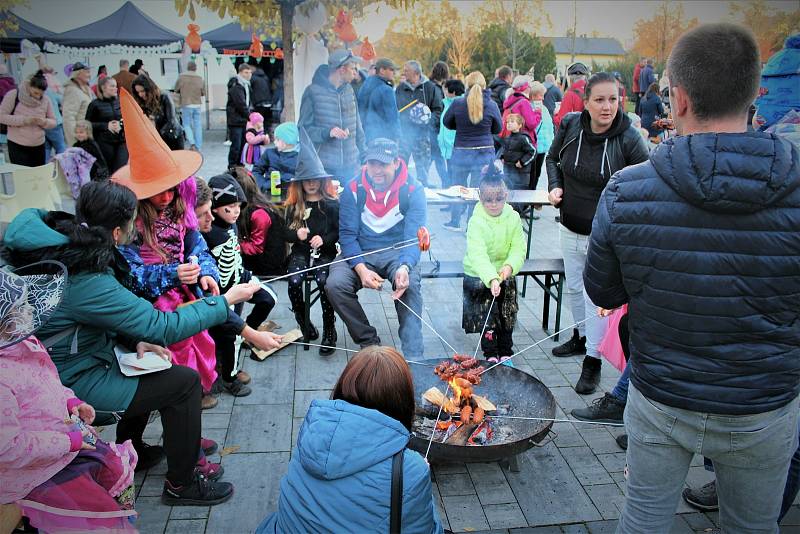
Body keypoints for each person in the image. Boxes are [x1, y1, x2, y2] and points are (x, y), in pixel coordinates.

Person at [583, 24, 800, 533]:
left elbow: (604, 291)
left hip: (663, 396)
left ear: (676, 99)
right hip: (763, 402)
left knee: (643, 522)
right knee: (753, 527)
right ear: (755, 95)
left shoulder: (625, 190)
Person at [2, 183, 268, 506]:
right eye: (132, 224)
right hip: (65, 386)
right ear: (116, 233)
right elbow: (162, 326)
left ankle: (135, 448)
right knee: (183, 384)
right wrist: (225, 301)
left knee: (151, 365)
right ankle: (182, 484)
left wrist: (134, 338)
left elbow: (86, 320)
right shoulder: (85, 277)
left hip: (56, 367)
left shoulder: (56, 246)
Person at [0, 262, 138, 532]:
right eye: (20, 310)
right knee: (95, 519)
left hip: (63, 447)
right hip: (35, 474)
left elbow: (46, 383)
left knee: (108, 486)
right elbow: (8, 448)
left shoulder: (24, 343)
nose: (29, 311)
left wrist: (70, 401)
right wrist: (68, 441)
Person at [255, 346, 444, 534]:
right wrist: (418, 473)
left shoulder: (313, 433)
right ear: (402, 400)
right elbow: (428, 529)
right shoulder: (409, 470)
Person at [546, 71, 648, 395]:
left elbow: (646, 182)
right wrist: (555, 185)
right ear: (586, 101)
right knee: (574, 289)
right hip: (569, 226)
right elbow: (551, 159)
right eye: (600, 100)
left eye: (613, 100)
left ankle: (593, 361)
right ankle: (581, 338)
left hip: (604, 237)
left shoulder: (629, 138)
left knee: (595, 298)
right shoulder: (570, 126)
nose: (607, 107)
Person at [325, 138, 426, 360]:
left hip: (397, 251)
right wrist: (361, 269)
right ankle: (369, 343)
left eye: (383, 164)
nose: (377, 170)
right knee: (335, 284)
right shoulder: (352, 188)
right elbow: (348, 236)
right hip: (360, 249)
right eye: (372, 164)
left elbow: (413, 238)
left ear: (397, 163)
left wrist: (405, 266)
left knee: (410, 287)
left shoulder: (413, 189)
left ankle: (413, 355)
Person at [203, 173, 278, 397]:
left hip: (241, 277)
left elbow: (236, 253)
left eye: (238, 206)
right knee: (230, 337)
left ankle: (248, 332)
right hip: (226, 292)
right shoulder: (209, 232)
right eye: (230, 207)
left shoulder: (231, 225)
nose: (236, 212)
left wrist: (244, 274)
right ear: (215, 208)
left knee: (269, 298)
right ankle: (229, 377)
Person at [282, 139, 339, 353]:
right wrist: (297, 234)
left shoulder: (331, 204)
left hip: (324, 254)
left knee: (323, 281)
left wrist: (324, 239)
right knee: (295, 280)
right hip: (301, 253)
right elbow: (284, 234)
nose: (312, 184)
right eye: (307, 180)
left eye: (315, 180)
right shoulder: (294, 206)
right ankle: (303, 319)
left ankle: (329, 328)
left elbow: (337, 231)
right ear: (300, 183)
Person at [462, 172, 525, 364]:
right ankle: (490, 355)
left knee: (506, 315)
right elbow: (477, 254)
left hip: (505, 274)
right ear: (481, 198)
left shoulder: (513, 217)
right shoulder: (476, 221)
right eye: (488, 200)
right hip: (479, 275)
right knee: (486, 318)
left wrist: (508, 267)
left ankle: (506, 352)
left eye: (499, 199)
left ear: (506, 196)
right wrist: (491, 277)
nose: (494, 204)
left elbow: (519, 248)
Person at [442, 71, 503, 231]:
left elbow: (447, 122)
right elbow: (498, 128)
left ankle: (455, 222)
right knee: (477, 191)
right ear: (484, 86)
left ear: (467, 85)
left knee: (458, 189)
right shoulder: (491, 105)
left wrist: (461, 126)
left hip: (461, 152)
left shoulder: (457, 103)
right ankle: (472, 224)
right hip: (483, 155)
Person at [298, 49, 366, 184]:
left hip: (351, 167)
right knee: (330, 204)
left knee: (350, 204)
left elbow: (358, 127)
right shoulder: (312, 92)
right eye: (353, 68)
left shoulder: (349, 90)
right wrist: (327, 132)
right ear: (341, 69)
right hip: (324, 168)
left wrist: (364, 158)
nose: (355, 72)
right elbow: (303, 130)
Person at [395, 60, 443, 188]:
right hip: (405, 135)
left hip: (422, 135)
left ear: (416, 73)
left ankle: (422, 188)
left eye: (406, 70)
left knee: (423, 165)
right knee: (400, 164)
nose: (403, 73)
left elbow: (438, 109)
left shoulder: (430, 88)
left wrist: (427, 122)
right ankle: (401, 188)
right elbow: (396, 110)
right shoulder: (400, 88)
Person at [231, 168, 287, 278]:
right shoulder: (248, 208)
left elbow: (256, 248)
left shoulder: (259, 213)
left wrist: (234, 245)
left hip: (266, 263)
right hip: (255, 255)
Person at [0, 70, 55, 166]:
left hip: (39, 145)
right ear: (29, 86)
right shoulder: (13, 95)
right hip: (17, 145)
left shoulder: (46, 100)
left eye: (41, 94)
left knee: (38, 177)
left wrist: (44, 122)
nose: (38, 97)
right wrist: (24, 120)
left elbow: (53, 121)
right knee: (23, 177)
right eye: (35, 93)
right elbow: (1, 116)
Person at [85, 76, 128, 173]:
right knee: (107, 169)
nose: (115, 89)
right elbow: (87, 124)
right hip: (104, 142)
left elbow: (128, 118)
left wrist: (121, 124)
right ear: (103, 88)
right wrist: (106, 125)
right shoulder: (94, 104)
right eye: (112, 86)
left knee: (120, 168)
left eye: (116, 86)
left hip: (121, 140)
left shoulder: (120, 101)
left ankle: (119, 186)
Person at [132, 73, 182, 150]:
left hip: (172, 136)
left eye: (142, 91)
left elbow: (171, 120)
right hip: (157, 139)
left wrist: (157, 133)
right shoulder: (142, 102)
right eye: (138, 92)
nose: (140, 94)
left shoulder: (164, 96)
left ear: (149, 88)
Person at [357, 57, 401, 143]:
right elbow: (392, 117)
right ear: (382, 70)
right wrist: (397, 137)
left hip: (364, 135)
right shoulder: (386, 90)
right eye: (391, 69)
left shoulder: (366, 84)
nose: (394, 73)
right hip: (382, 138)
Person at [252, 121, 300, 192]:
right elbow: (256, 171)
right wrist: (263, 185)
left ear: (287, 140)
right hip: (270, 191)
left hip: (292, 193)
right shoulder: (269, 153)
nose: (274, 142)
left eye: (277, 139)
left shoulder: (300, 156)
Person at [437, 78, 465, 189]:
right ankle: (452, 204)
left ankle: (457, 205)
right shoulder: (448, 104)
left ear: (453, 92)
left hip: (455, 148)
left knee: (456, 179)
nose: (444, 92)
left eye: (446, 90)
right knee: (451, 177)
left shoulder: (458, 105)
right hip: (448, 148)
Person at [500, 75, 541, 148]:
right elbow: (531, 124)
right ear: (525, 88)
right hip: (523, 141)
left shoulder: (511, 100)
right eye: (529, 86)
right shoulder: (524, 102)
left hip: (511, 139)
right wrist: (538, 113)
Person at [498, 113, 536, 190]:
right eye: (507, 122)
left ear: (519, 125)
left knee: (520, 196)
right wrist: (502, 156)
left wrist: (522, 162)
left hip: (521, 175)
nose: (509, 124)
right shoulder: (507, 138)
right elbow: (504, 149)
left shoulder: (523, 138)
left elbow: (532, 152)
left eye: (512, 122)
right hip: (508, 173)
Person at [226, 63, 254, 166]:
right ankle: (233, 165)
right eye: (246, 72)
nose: (248, 75)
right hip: (236, 120)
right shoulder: (236, 85)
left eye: (250, 72)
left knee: (243, 144)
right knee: (236, 145)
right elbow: (240, 104)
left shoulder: (246, 85)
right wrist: (250, 117)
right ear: (240, 73)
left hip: (243, 120)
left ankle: (240, 164)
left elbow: (246, 103)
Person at [174, 60, 205, 151]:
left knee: (186, 124)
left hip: (186, 103)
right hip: (197, 104)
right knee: (198, 125)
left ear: (187, 67)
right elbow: (203, 92)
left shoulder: (181, 77)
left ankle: (192, 142)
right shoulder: (200, 78)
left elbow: (176, 89)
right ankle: (198, 146)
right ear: (195, 68)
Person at [529, 81, 554, 190]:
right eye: (541, 95)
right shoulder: (528, 108)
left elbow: (549, 127)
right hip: (532, 146)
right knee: (532, 173)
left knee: (537, 173)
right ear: (533, 95)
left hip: (542, 147)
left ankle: (532, 196)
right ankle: (529, 199)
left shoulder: (544, 109)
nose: (543, 98)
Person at [62, 62, 94, 146]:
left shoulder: (86, 89)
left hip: (86, 136)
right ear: (78, 73)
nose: (90, 75)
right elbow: (68, 117)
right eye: (87, 72)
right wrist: (74, 140)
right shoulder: (72, 91)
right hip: (79, 138)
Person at [428, 61, 450, 186]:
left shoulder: (429, 86)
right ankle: (446, 184)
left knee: (434, 157)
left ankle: (423, 180)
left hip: (431, 128)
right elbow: (438, 109)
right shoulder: (436, 88)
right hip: (435, 129)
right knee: (437, 157)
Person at [41, 65, 66, 159]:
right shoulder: (51, 83)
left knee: (46, 148)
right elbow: (61, 99)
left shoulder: (39, 84)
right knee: (60, 146)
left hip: (43, 122)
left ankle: (45, 169)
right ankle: (63, 168)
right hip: (55, 122)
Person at [554, 62, 589, 127]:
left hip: (575, 134)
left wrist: (556, 115)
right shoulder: (592, 91)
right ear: (585, 77)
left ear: (570, 79)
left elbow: (562, 122)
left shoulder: (570, 95)